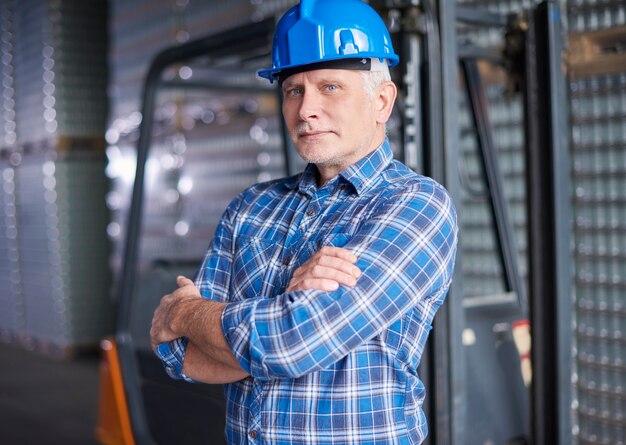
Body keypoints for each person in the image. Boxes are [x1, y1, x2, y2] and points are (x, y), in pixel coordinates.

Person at [150, 0, 458, 443]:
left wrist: (185, 312)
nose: (306, 109)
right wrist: (281, 311)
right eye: (294, 90)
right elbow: (178, 355)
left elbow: (293, 344)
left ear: (382, 102)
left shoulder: (416, 205)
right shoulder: (250, 207)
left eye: (330, 87)